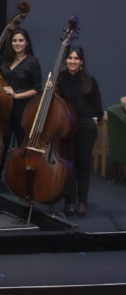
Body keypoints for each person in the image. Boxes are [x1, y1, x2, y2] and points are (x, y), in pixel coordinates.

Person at [55, 45, 103, 216]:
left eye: (76, 58)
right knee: (69, 165)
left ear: (81, 62)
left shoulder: (90, 80)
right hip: (66, 126)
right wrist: (47, 90)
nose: (73, 61)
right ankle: (69, 201)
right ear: (65, 60)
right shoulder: (58, 79)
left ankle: (82, 202)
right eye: (70, 58)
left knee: (83, 165)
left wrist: (94, 120)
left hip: (84, 126)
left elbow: (98, 107)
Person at [0, 28, 41, 152]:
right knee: (1, 146)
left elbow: (37, 89)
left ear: (26, 42)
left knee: (21, 147)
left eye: (21, 40)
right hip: (4, 108)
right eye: (14, 40)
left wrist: (16, 95)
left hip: (22, 110)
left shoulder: (32, 62)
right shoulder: (6, 60)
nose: (17, 43)